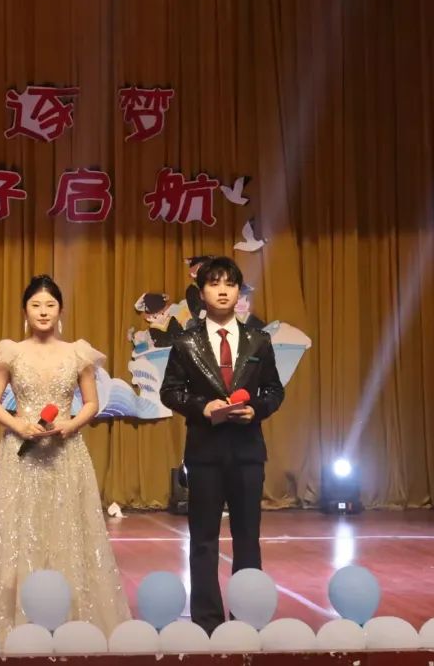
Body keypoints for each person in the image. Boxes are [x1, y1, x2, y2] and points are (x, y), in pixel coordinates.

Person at [0, 275, 130, 639]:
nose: (43, 312)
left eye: (50, 305)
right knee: (21, 529)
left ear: (61, 311)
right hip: (21, 453)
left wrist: (71, 424)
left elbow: (92, 402)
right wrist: (19, 425)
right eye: (36, 305)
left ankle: (71, 615)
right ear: (25, 311)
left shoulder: (77, 352)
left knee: (68, 529)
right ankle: (18, 616)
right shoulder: (10, 351)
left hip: (65, 452)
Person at [160, 256, 285, 634]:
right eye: (214, 283)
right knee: (203, 541)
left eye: (230, 284)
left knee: (248, 539)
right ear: (202, 293)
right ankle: (207, 622)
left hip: (247, 452)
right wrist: (203, 407)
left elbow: (274, 390)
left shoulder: (259, 340)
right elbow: (170, 392)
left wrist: (256, 409)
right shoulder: (185, 342)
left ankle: (247, 619)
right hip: (205, 454)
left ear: (238, 292)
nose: (223, 290)